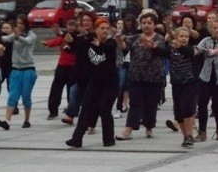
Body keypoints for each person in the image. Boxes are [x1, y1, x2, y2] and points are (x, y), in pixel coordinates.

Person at [65, 18, 118, 148]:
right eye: (102, 28)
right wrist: (70, 42)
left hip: (110, 83)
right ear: (96, 30)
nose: (105, 30)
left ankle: (108, 139)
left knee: (104, 109)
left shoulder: (111, 42)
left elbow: (109, 50)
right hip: (95, 81)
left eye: (107, 28)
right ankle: (77, 139)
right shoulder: (89, 41)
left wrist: (100, 46)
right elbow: (78, 46)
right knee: (86, 109)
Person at [115, 10, 166, 140]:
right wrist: (119, 39)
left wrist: (153, 46)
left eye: (149, 23)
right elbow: (123, 46)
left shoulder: (159, 38)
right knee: (135, 103)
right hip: (136, 76)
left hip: (153, 77)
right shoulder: (136, 37)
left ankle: (149, 127)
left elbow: (161, 52)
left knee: (151, 104)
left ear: (154, 24)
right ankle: (129, 129)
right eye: (144, 23)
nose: (146, 25)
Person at [194, 16, 218, 141]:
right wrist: (187, 49)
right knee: (202, 104)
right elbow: (197, 50)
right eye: (214, 28)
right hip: (206, 76)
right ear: (210, 29)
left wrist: (214, 52)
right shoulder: (206, 40)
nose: (217, 30)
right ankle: (202, 132)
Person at [0, 14, 37, 130]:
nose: (19, 25)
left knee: (26, 97)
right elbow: (4, 38)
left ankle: (26, 120)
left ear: (26, 24)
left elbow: (27, 42)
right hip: (15, 69)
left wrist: (18, 37)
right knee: (12, 96)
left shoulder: (32, 35)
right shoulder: (13, 35)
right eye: (18, 23)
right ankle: (7, 121)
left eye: (21, 23)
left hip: (28, 69)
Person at [166, 27, 198, 147]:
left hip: (189, 83)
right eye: (181, 36)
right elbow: (161, 52)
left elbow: (188, 54)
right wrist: (153, 46)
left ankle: (190, 135)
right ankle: (185, 136)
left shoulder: (190, 48)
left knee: (187, 109)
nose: (184, 38)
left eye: (186, 36)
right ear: (176, 37)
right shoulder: (171, 49)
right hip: (176, 83)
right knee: (178, 112)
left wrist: (180, 47)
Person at [42, 20, 77, 120]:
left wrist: (59, 34)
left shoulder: (77, 37)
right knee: (56, 89)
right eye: (69, 25)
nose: (70, 28)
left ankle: (72, 110)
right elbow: (57, 41)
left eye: (72, 25)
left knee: (72, 90)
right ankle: (53, 111)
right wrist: (48, 43)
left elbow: (62, 37)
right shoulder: (63, 37)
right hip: (62, 66)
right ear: (66, 26)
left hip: (73, 67)